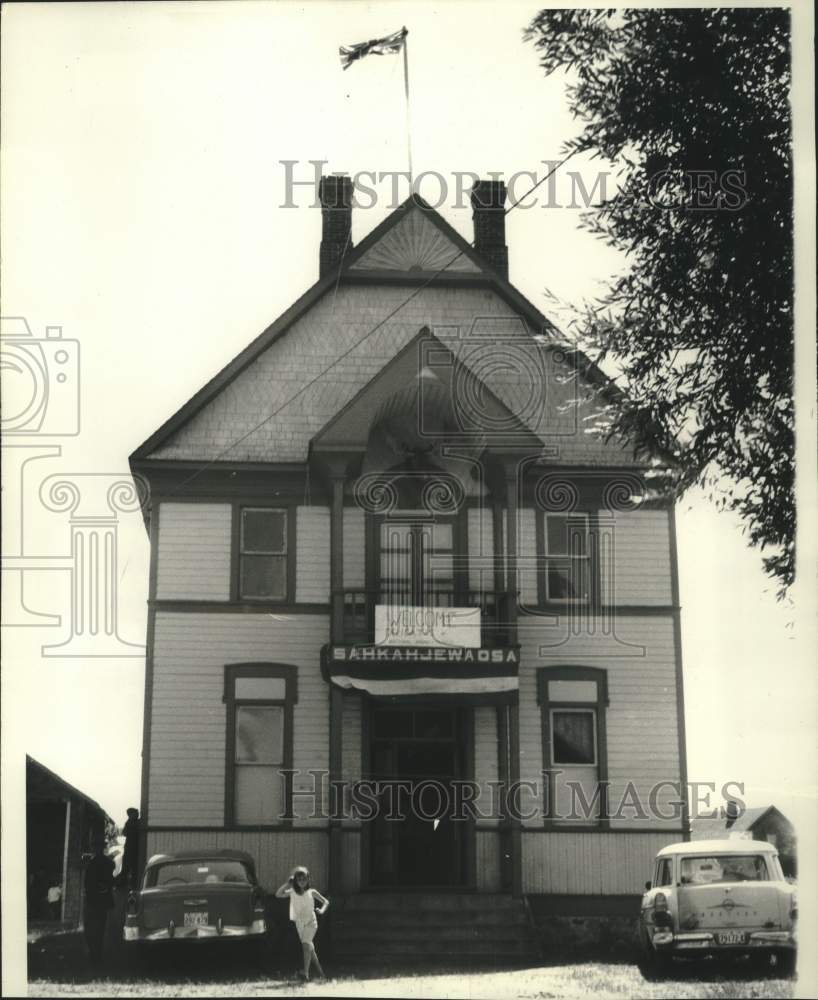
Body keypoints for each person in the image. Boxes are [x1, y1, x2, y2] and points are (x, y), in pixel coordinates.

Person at [275, 866, 329, 981]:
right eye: (299, 880)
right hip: (299, 923)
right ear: (295, 881)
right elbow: (278, 894)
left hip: (311, 922)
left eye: (304, 879)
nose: (302, 882)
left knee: (305, 945)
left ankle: (305, 974)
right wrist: (287, 884)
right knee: (310, 948)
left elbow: (326, 901)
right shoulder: (292, 891)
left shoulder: (312, 892)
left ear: (308, 879)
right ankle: (321, 973)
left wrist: (322, 910)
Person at [83, 833, 115, 966]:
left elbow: (88, 883)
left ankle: (93, 954)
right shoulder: (109, 863)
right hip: (104, 900)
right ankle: (98, 955)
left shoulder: (91, 863)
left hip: (92, 900)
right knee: (100, 929)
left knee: (91, 929)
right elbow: (111, 881)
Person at [121, 807, 140, 888]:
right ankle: (126, 883)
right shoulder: (130, 823)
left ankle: (130, 884)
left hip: (133, 847)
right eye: (136, 813)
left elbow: (124, 833)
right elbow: (124, 833)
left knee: (132, 867)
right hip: (131, 847)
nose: (137, 814)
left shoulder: (130, 823)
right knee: (128, 867)